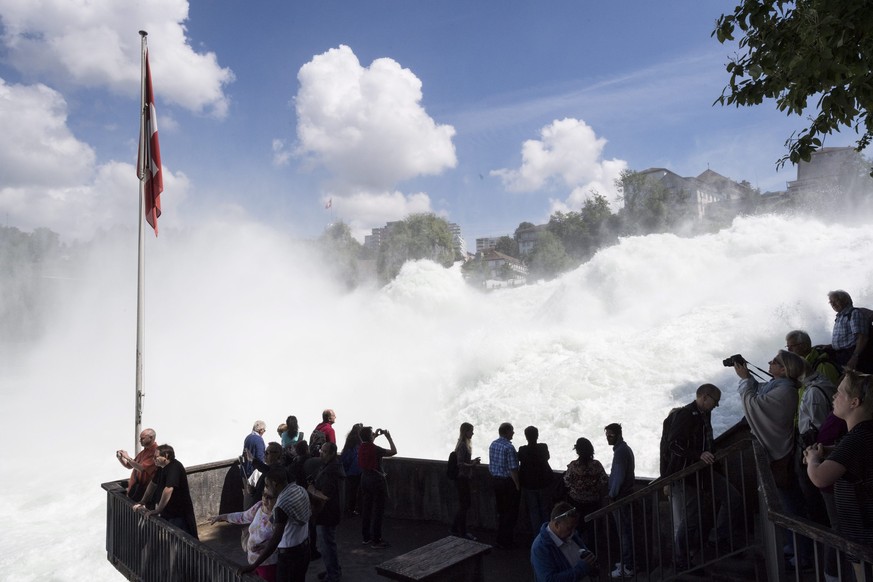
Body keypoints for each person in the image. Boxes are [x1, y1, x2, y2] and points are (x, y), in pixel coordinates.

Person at [735, 349, 810, 568]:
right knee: (786, 507)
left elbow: (755, 404)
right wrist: (747, 377)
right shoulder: (779, 385)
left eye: (775, 361)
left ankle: (802, 557)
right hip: (777, 454)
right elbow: (759, 391)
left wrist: (745, 382)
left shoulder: (786, 390)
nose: (769, 362)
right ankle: (792, 549)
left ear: (785, 369)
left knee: (792, 509)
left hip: (780, 456)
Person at [663, 384, 741, 570]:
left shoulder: (705, 413)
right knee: (690, 520)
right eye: (715, 401)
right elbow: (673, 444)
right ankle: (681, 559)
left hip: (704, 471)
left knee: (733, 498)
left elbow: (707, 440)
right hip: (687, 474)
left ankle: (717, 538)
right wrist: (697, 454)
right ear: (705, 397)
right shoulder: (685, 415)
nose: (717, 406)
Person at [805, 370, 873, 582]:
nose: (834, 396)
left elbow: (819, 477)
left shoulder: (855, 438)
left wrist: (813, 459)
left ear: (854, 402)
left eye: (840, 392)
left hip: (864, 537)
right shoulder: (865, 432)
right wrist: (831, 450)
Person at [242, 470, 311, 582]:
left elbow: (276, 539)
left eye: (266, 485)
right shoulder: (299, 490)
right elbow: (314, 507)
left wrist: (254, 565)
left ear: (275, 484)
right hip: (304, 550)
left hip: (289, 557)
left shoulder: (281, 506)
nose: (265, 489)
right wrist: (266, 544)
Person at [209, 487, 279, 581]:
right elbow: (243, 517)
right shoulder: (259, 506)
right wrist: (223, 517)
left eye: (269, 497)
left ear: (278, 499)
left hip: (268, 564)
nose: (265, 499)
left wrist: (264, 546)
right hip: (252, 562)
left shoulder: (279, 516)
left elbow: (281, 540)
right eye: (264, 495)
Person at [133, 444, 198, 539]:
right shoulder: (161, 467)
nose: (153, 459)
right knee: (172, 541)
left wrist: (158, 509)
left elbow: (168, 489)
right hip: (168, 512)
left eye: (156, 457)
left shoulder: (174, 467)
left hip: (179, 514)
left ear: (166, 456)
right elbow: (152, 484)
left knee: (183, 542)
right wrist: (143, 501)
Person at [530, 502, 598, 582]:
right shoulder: (540, 547)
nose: (573, 532)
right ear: (556, 525)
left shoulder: (571, 535)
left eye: (574, 528)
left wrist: (592, 565)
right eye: (569, 528)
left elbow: (588, 561)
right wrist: (582, 569)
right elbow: (549, 580)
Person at [563, 437, 607, 547]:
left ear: (577, 451)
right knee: (592, 528)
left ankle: (578, 550)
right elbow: (604, 480)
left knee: (577, 527)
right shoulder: (596, 465)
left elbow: (567, 481)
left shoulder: (573, 466)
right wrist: (594, 489)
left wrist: (576, 489)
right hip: (593, 502)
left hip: (576, 502)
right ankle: (591, 551)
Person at [358, 426, 397, 548]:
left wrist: (374, 435)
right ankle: (376, 540)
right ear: (370, 436)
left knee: (367, 509)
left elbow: (367, 442)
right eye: (372, 434)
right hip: (376, 480)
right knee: (378, 510)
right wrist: (389, 437)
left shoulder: (361, 447)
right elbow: (393, 451)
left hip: (364, 479)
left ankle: (366, 537)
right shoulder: (375, 449)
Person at [605, 423, 635, 578]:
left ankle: (628, 566)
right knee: (625, 531)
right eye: (606, 435)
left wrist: (612, 495)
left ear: (618, 435)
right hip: (625, 495)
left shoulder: (620, 453)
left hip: (620, 498)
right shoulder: (624, 449)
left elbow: (618, 477)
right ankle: (626, 562)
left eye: (610, 435)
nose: (607, 438)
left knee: (623, 533)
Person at [313, 442, 345, 582]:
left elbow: (325, 495)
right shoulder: (331, 466)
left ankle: (333, 575)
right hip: (329, 512)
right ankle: (332, 570)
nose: (321, 453)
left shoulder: (331, 470)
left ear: (332, 454)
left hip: (327, 512)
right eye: (322, 450)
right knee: (327, 544)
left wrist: (312, 490)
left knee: (327, 544)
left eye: (325, 451)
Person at [489, 422, 521, 549]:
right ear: (507, 432)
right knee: (510, 513)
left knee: (501, 512)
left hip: (496, 481)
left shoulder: (493, 444)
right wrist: (517, 485)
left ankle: (500, 539)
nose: (513, 433)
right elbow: (513, 469)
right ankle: (506, 541)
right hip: (507, 484)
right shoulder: (509, 447)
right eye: (512, 431)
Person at [518, 426, 554, 533]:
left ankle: (537, 536)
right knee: (545, 510)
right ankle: (548, 534)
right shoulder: (543, 447)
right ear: (537, 435)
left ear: (526, 436)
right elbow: (547, 457)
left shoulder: (522, 450)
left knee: (534, 512)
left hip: (529, 485)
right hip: (543, 483)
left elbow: (519, 459)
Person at [825, 290, 871, 372]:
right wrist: (831, 345)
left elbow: (862, 337)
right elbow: (847, 339)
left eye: (836, 301)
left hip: (852, 356)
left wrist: (854, 357)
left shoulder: (854, 313)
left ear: (845, 300)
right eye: (831, 302)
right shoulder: (839, 317)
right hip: (841, 356)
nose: (833, 304)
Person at [451, 422, 481, 540]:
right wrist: (472, 464)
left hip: (462, 478)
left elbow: (463, 460)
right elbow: (460, 463)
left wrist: (472, 461)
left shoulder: (463, 444)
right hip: (462, 478)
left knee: (464, 505)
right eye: (471, 431)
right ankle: (462, 531)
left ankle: (455, 528)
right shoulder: (463, 445)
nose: (472, 433)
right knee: (465, 505)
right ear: (465, 431)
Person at [116, 428, 158, 500]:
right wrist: (120, 458)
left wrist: (127, 457)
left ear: (151, 438)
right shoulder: (144, 452)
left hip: (144, 491)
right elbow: (129, 465)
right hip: (135, 488)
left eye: (142, 438)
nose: (140, 440)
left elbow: (142, 468)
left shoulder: (156, 452)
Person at [340, 423, 363, 516]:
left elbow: (345, 457)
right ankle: (352, 509)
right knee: (355, 491)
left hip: (349, 470)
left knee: (351, 491)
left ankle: (349, 509)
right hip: (357, 470)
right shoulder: (359, 443)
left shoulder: (349, 441)